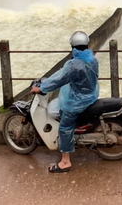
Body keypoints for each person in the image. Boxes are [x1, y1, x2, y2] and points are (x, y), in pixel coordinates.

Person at [30, 31, 99, 173]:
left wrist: (41, 88)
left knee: (64, 128)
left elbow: (60, 79)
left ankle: (65, 162)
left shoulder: (74, 65)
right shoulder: (92, 59)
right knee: (57, 107)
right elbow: (62, 73)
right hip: (90, 95)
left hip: (77, 101)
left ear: (72, 46)